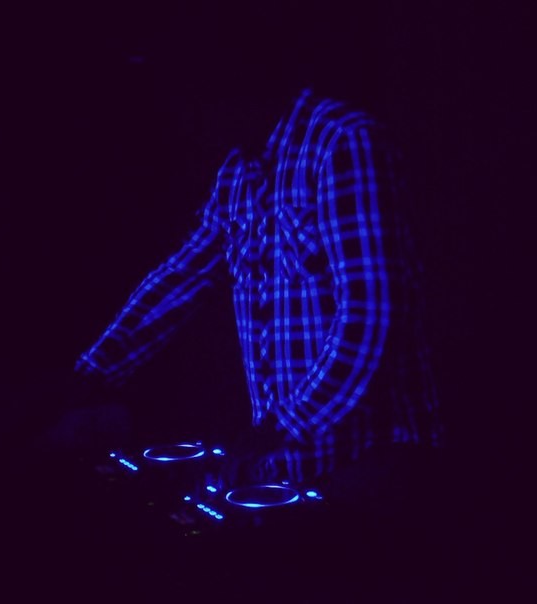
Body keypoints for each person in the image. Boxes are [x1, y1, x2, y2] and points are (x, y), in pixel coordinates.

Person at [73, 86, 444, 507]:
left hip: (376, 458)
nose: (188, 115)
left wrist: (281, 426)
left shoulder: (342, 142)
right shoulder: (237, 173)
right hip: (294, 465)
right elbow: (182, 277)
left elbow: (372, 314)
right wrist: (89, 376)